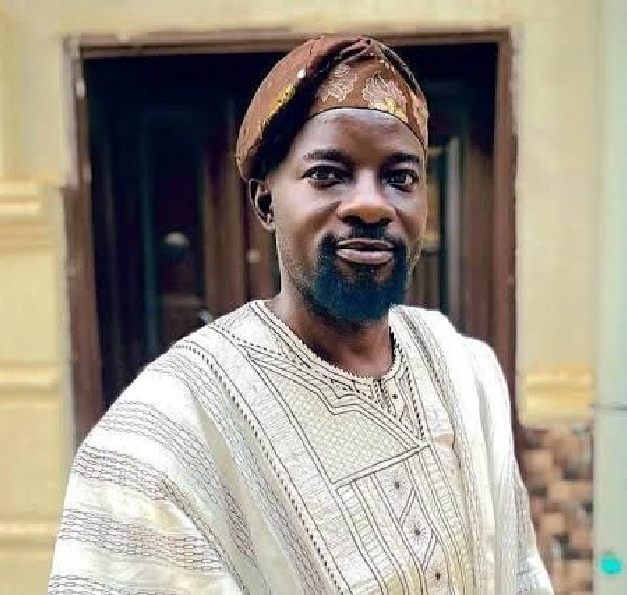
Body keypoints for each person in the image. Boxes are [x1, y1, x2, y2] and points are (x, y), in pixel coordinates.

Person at [49, 35, 553, 594]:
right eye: (328, 174)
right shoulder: (171, 430)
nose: (371, 204)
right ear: (266, 202)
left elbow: (519, 572)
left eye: (400, 178)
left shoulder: (466, 375)